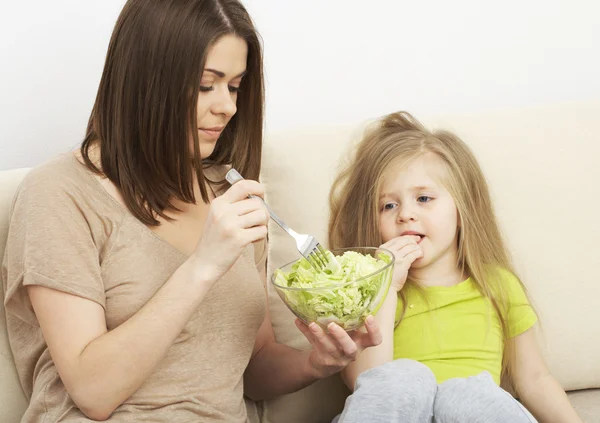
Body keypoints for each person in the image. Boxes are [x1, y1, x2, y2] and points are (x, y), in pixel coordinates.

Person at [1, 1, 381, 421]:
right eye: (206, 85)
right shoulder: (59, 192)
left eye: (234, 86)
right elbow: (93, 390)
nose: (228, 107)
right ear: (145, 81)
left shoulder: (229, 194)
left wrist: (316, 363)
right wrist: (203, 264)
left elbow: (251, 367)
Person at [327, 111, 582, 422]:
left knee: (468, 394)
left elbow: (535, 380)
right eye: (389, 205)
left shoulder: (496, 284)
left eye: (423, 198)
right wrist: (385, 287)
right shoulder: (368, 291)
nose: (405, 214)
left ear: (463, 209)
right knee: (404, 379)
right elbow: (367, 385)